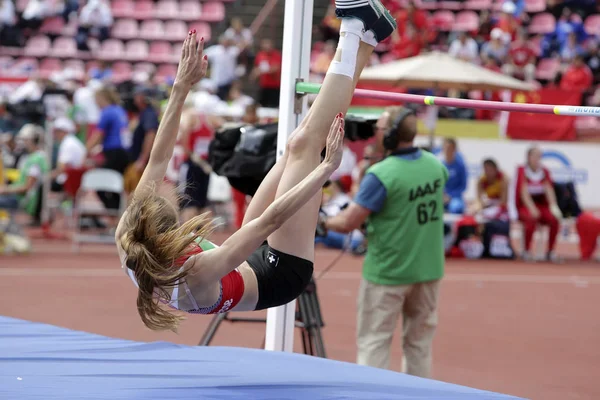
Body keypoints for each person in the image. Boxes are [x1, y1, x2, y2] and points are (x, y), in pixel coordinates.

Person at [116, 4, 397, 331]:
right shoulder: (196, 271)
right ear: (166, 238)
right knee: (306, 145)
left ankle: (369, 34)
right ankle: (352, 28)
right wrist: (325, 169)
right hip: (281, 275)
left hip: (246, 261)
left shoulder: (129, 231)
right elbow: (270, 221)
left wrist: (181, 87)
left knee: (296, 144)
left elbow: (159, 158)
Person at [321, 106, 448, 378]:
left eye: (378, 128)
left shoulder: (382, 175)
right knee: (419, 347)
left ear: (390, 135)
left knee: (374, 343)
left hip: (388, 272)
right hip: (428, 270)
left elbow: (347, 223)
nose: (373, 132)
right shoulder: (435, 165)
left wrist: (320, 222)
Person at [515, 146, 562, 262]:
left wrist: (553, 206)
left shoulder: (544, 172)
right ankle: (526, 250)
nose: (537, 159)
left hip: (541, 205)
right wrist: (531, 208)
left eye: (539, 156)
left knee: (554, 219)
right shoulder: (522, 171)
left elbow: (549, 189)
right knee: (531, 219)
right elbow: (523, 192)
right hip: (525, 205)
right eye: (534, 156)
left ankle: (550, 251)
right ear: (528, 157)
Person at [49, 117, 87, 193]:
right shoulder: (71, 141)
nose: (55, 135)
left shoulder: (68, 143)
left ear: (63, 131)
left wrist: (47, 176)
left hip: (72, 180)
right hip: (75, 177)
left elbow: (61, 168)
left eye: (57, 131)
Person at [440, 138, 467, 214]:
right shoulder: (439, 165)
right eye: (446, 148)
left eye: (450, 148)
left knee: (456, 208)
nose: (448, 151)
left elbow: (463, 186)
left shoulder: (460, 165)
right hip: (441, 196)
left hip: (455, 197)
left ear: (454, 149)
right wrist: (442, 195)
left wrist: (450, 196)